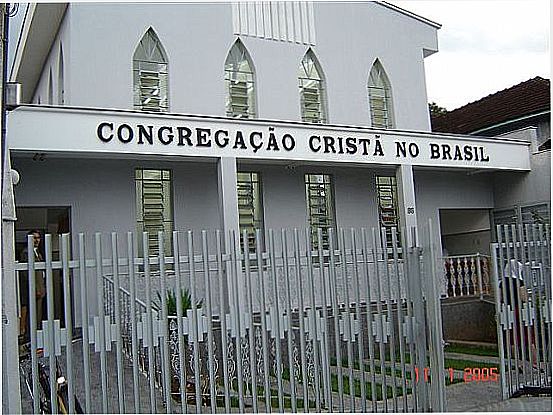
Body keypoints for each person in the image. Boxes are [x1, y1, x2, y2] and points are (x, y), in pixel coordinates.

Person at [19, 229, 46, 343]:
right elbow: (27, 274)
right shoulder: (26, 253)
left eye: (38, 238)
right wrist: (34, 289)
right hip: (33, 290)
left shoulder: (38, 253)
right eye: (34, 238)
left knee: (38, 315)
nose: (36, 240)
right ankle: (31, 339)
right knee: (33, 315)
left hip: (40, 288)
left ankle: (36, 339)